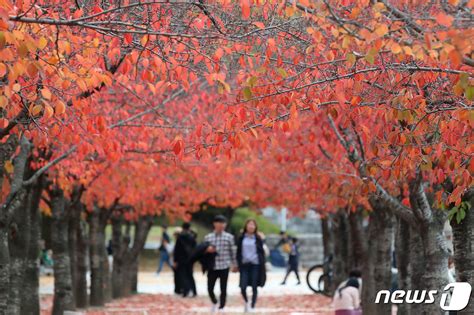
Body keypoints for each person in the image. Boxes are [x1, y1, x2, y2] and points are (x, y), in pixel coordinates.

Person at [204, 215, 237, 312]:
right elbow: (202, 251)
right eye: (220, 223)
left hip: (224, 266)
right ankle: (214, 302)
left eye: (224, 223)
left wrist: (235, 265)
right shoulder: (208, 237)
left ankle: (222, 306)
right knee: (210, 288)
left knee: (223, 288)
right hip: (212, 266)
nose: (222, 225)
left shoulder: (229, 237)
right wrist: (207, 250)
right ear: (214, 224)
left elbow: (233, 252)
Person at [237, 219, 267, 312]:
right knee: (243, 286)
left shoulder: (258, 238)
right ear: (246, 226)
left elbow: (262, 252)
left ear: (255, 227)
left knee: (254, 286)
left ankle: (253, 305)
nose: (251, 226)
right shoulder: (241, 238)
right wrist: (237, 263)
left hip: (256, 264)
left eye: (253, 225)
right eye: (249, 224)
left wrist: (263, 263)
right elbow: (238, 252)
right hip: (244, 265)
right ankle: (246, 302)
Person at [173, 223, 197, 297]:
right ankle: (194, 291)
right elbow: (195, 249)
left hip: (181, 259)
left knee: (182, 275)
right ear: (189, 228)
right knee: (190, 275)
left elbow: (177, 250)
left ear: (182, 228)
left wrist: (175, 260)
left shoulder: (180, 237)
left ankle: (185, 290)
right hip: (190, 259)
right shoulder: (192, 237)